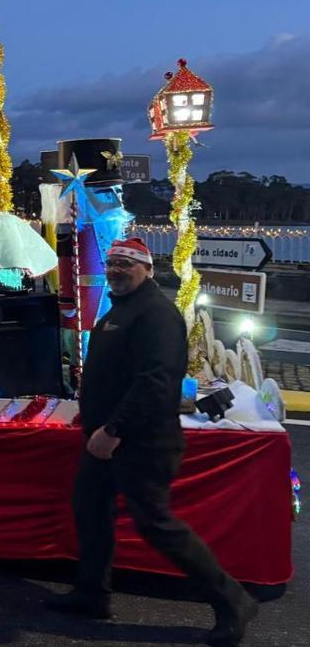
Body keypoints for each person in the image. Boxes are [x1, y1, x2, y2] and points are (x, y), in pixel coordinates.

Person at [47, 237, 258, 645]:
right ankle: (92, 594)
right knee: (89, 510)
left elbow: (157, 381)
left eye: (126, 264)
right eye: (112, 263)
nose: (116, 270)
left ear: (146, 268)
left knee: (157, 524)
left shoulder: (156, 314)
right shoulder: (122, 309)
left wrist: (113, 430)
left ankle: (232, 599)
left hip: (140, 440)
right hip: (103, 436)